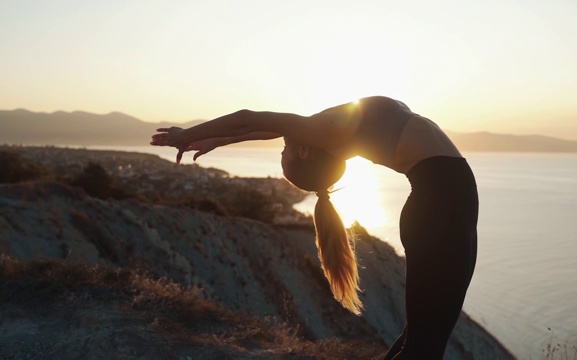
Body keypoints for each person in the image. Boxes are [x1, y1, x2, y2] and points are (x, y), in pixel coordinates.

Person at [151, 96, 478, 359]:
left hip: (443, 208)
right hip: (441, 209)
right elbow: (251, 118)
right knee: (425, 343)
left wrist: (208, 138)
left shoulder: (329, 132)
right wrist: (191, 136)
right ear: (306, 149)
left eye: (283, 150)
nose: (282, 144)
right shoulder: (328, 131)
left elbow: (257, 126)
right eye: (285, 151)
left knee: (421, 336)